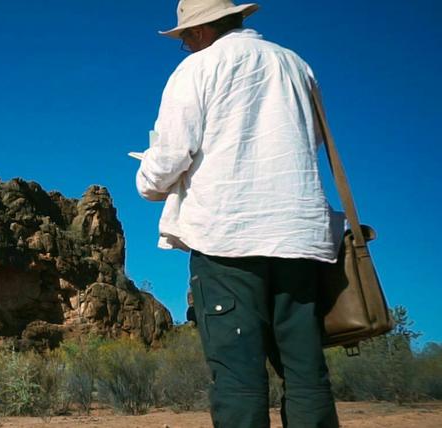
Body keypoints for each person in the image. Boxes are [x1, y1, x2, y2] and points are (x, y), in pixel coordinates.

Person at [136, 0, 340, 426]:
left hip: (227, 238)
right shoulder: (296, 66)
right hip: (300, 238)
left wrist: (147, 179)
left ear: (200, 32)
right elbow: (311, 141)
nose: (186, 48)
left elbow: (170, 156)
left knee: (238, 377)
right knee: (306, 373)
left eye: (185, 40)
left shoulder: (197, 69)